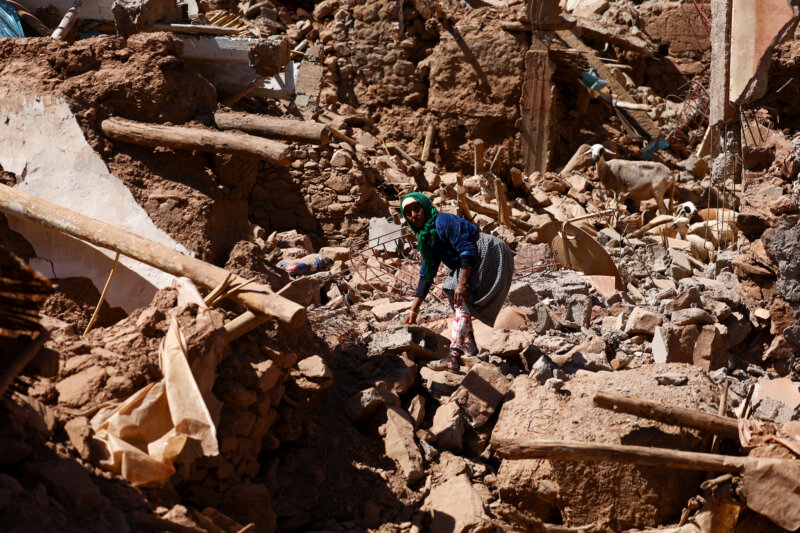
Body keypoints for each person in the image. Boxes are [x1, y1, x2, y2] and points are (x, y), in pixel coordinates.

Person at [400, 192, 514, 371]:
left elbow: (467, 249)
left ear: (426, 207)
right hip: (472, 258)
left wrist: (462, 285)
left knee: (455, 290)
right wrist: (414, 309)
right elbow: (427, 273)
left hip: (488, 251)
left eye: (417, 209)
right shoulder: (427, 237)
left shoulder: (443, 221)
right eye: (408, 213)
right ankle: (469, 341)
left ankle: (454, 355)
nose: (414, 215)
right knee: (453, 293)